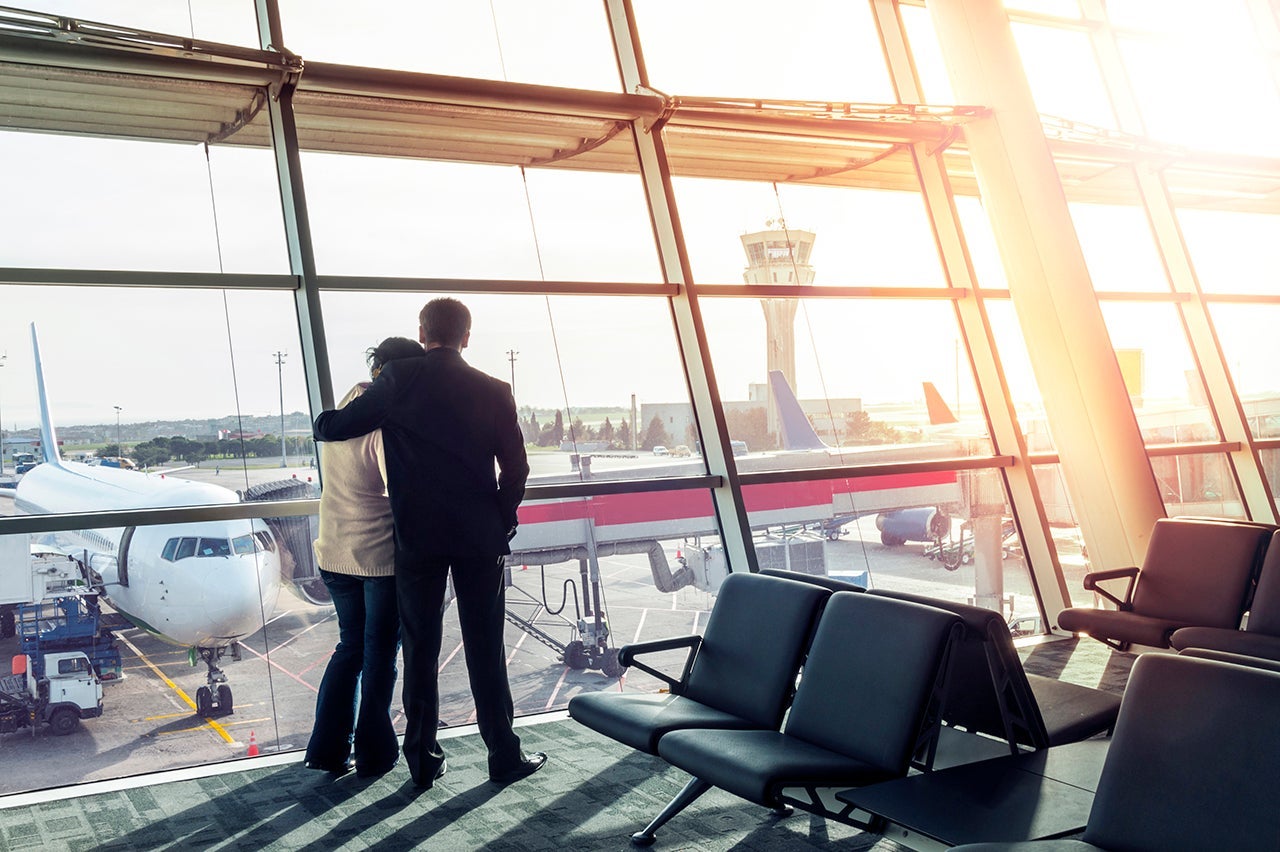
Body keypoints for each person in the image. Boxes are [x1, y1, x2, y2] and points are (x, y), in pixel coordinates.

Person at [313, 298, 542, 788]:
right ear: (467, 336)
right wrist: (499, 519)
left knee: (420, 650)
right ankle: (503, 755)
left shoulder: (399, 381)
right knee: (486, 648)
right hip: (480, 537)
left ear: (422, 333)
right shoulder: (494, 388)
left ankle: (422, 760)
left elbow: (331, 428)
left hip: (418, 538)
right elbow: (517, 469)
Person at [304, 336, 426, 777]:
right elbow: (404, 491)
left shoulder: (346, 409)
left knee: (349, 648)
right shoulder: (383, 422)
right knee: (379, 656)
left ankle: (328, 748)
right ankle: (375, 753)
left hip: (333, 551)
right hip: (375, 557)